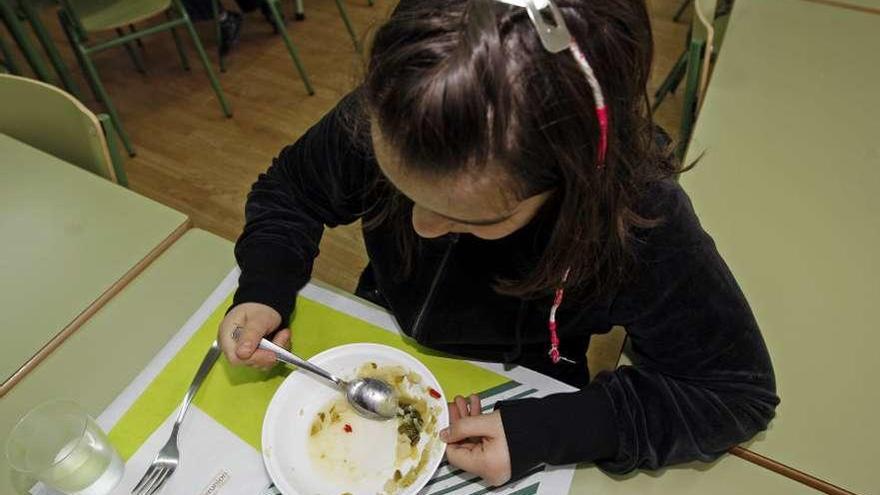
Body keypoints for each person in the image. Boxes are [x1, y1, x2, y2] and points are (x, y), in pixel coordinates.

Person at [218, 0, 779, 486]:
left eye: (473, 219)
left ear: (573, 182)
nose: (421, 229)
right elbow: (290, 191)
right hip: (384, 324)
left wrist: (547, 431)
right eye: (399, 187)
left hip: (529, 380)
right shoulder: (391, 113)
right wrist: (266, 286)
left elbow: (733, 391)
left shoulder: (636, 220)